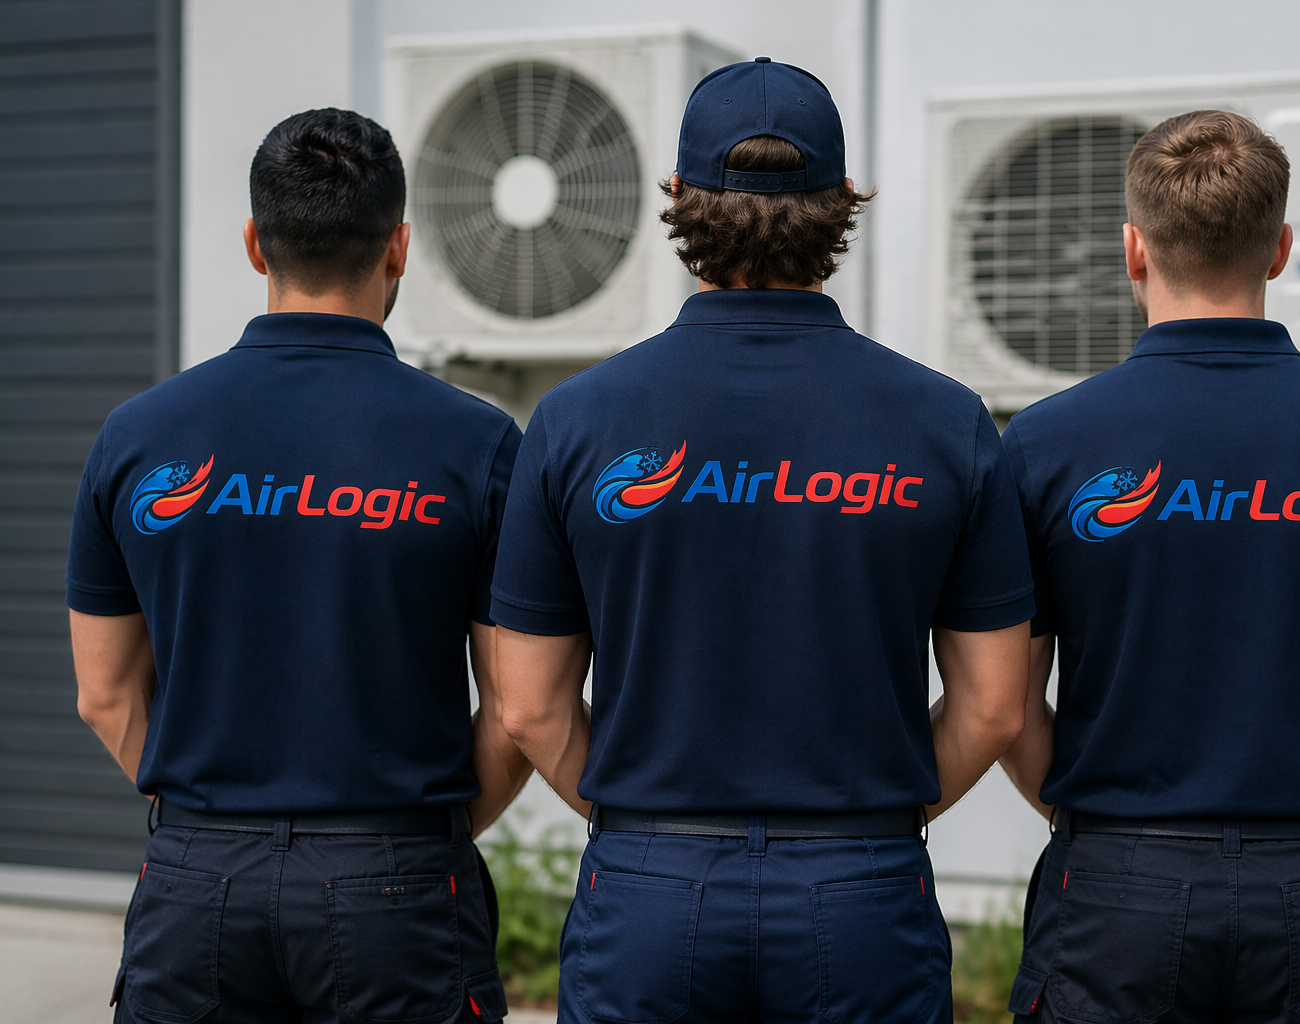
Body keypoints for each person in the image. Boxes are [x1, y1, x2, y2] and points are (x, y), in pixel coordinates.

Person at [491, 57, 1035, 1024]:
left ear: (675, 200)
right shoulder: (946, 423)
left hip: (649, 882)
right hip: (862, 885)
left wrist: (647, 829)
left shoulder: (575, 423)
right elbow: (994, 707)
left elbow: (529, 708)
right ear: (840, 206)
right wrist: (869, 828)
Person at [997, 109, 1300, 1024]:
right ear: (1280, 248)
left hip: (1114, 887)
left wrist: (1096, 829)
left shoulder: (1048, 444)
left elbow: (1006, 701)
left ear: (1133, 250)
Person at [67, 109, 527, 1024]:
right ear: (399, 248)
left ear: (253, 243)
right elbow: (519, 710)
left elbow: (105, 696)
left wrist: (217, 829)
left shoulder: (138, 437)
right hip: (397, 877)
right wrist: (415, 842)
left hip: (196, 884)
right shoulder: (476, 444)